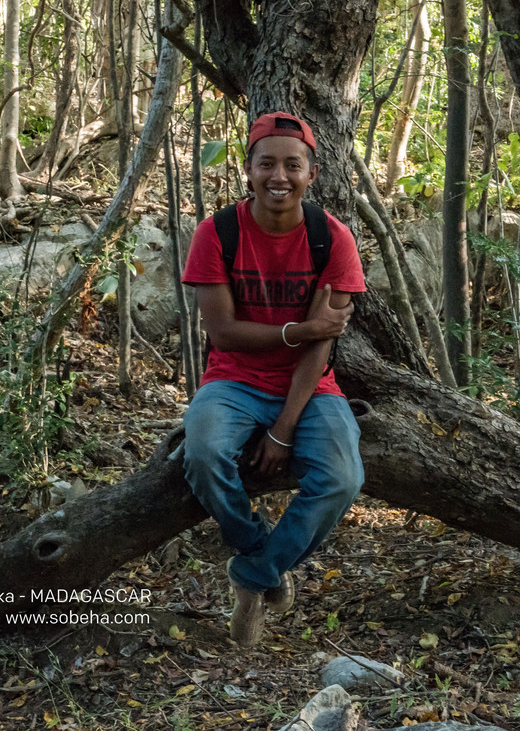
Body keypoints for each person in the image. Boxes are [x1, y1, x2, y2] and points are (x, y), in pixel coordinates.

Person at [181, 111, 366, 647]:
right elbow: (225, 332)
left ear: (312, 172)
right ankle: (259, 545)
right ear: (248, 169)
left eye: (292, 165)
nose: (278, 176)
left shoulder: (331, 239)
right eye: (267, 164)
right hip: (233, 380)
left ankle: (255, 573)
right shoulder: (217, 233)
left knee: (342, 478)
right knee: (203, 455)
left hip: (309, 388)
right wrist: (301, 327)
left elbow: (321, 343)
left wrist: (284, 429)